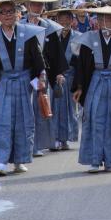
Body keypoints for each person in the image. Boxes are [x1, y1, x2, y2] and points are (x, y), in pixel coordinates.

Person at [0, 0, 46, 176]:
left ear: (18, 13)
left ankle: (19, 160)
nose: (7, 15)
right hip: (3, 83)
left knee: (23, 122)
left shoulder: (28, 34)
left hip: (24, 82)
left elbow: (38, 60)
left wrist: (41, 79)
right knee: (1, 121)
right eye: (3, 12)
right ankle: (1, 161)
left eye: (11, 12)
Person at [73, 5, 111, 173]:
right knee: (95, 121)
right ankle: (94, 160)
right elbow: (82, 66)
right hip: (96, 82)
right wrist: (79, 87)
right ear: (99, 21)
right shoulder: (88, 40)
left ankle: (110, 160)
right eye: (109, 19)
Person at [14, 0, 67, 155]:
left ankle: (37, 144)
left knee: (41, 106)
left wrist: (59, 73)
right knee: (26, 107)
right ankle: (26, 144)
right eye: (34, 4)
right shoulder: (19, 25)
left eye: (40, 5)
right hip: (25, 72)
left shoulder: (50, 27)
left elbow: (57, 52)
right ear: (27, 6)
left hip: (43, 73)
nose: (37, 7)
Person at [48, 8, 81, 151]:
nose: (64, 22)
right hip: (55, 78)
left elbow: (79, 61)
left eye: (67, 19)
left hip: (71, 77)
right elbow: (49, 58)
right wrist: (56, 73)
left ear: (72, 21)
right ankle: (54, 138)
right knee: (54, 109)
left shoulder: (79, 37)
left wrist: (79, 83)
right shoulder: (52, 37)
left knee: (70, 110)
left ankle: (66, 138)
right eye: (61, 20)